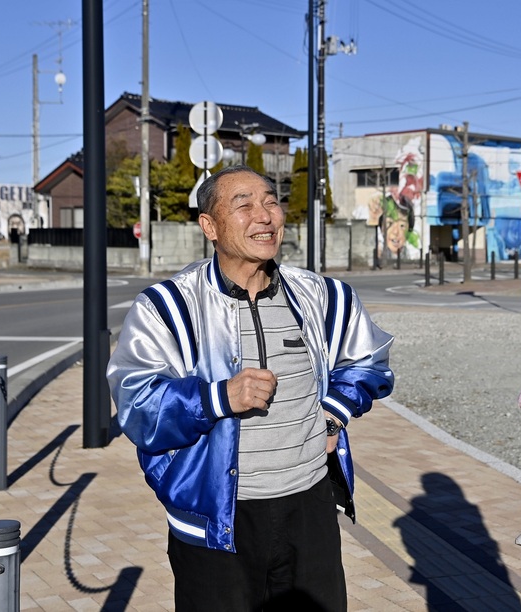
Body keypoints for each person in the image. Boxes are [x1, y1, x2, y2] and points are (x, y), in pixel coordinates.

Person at [106, 165, 395, 610]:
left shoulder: (321, 295)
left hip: (309, 506)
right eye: (243, 205)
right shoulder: (167, 307)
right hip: (218, 518)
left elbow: (368, 359)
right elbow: (137, 407)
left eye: (271, 202)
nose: (264, 216)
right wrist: (218, 397)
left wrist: (335, 411)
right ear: (210, 226)